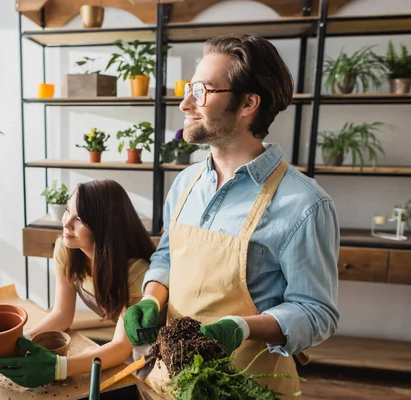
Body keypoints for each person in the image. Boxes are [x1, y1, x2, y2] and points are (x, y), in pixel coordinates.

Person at [123, 34, 340, 396]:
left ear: (248, 103)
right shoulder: (185, 183)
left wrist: (241, 327)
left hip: (247, 386)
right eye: (189, 88)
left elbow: (318, 312)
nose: (184, 103)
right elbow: (167, 255)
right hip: (171, 380)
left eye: (202, 91)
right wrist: (151, 297)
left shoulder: (304, 204)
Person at [0, 179, 158, 388]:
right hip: (124, 345)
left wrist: (59, 367)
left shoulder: (136, 273)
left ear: (104, 226)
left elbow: (120, 347)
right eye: (67, 211)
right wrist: (20, 341)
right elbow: (62, 314)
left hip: (154, 349)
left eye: (79, 218)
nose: (66, 223)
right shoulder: (67, 249)